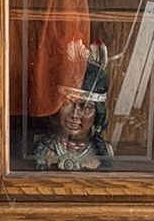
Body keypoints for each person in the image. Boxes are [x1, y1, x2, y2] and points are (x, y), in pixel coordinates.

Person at [32, 41, 116, 170]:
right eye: (67, 104)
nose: (75, 115)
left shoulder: (105, 152)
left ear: (98, 114)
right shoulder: (40, 148)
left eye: (86, 107)